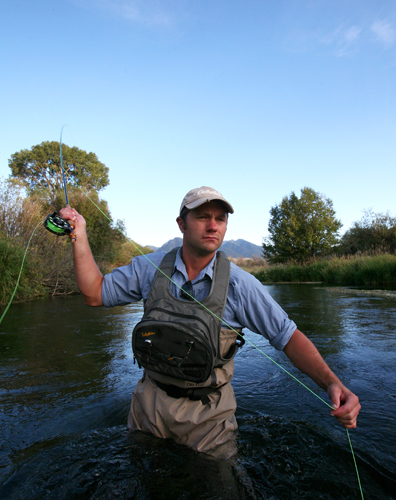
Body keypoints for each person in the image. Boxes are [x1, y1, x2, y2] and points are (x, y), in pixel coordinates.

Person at [60, 186, 361, 454]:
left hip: (209, 419)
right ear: (181, 223)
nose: (213, 225)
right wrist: (79, 234)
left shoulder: (241, 286)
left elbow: (288, 337)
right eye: (203, 216)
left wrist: (333, 384)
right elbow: (94, 293)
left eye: (221, 219)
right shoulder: (149, 268)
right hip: (147, 408)